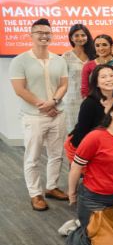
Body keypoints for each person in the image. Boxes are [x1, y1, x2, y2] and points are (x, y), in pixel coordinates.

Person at [62, 98, 113, 245]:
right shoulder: (95, 137)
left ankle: (83, 223)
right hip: (94, 197)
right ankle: (74, 232)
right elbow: (76, 167)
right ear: (111, 112)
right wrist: (71, 193)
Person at [9, 18, 69, 210]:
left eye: (47, 33)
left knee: (56, 154)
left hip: (57, 114)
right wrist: (42, 105)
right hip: (33, 116)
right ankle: (35, 194)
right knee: (32, 157)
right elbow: (20, 89)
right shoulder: (20, 60)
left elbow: (63, 85)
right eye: (40, 33)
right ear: (31, 35)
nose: (44, 36)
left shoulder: (58, 60)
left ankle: (51, 187)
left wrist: (54, 102)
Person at [64, 65, 113, 163]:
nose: (109, 79)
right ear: (96, 83)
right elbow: (82, 133)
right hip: (91, 152)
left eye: (112, 76)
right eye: (103, 77)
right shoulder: (89, 103)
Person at [62, 24, 94, 133]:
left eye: (83, 35)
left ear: (87, 36)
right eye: (76, 35)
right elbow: (61, 81)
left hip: (92, 99)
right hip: (72, 100)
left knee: (90, 130)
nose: (80, 38)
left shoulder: (94, 55)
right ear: (71, 38)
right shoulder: (66, 57)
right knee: (73, 130)